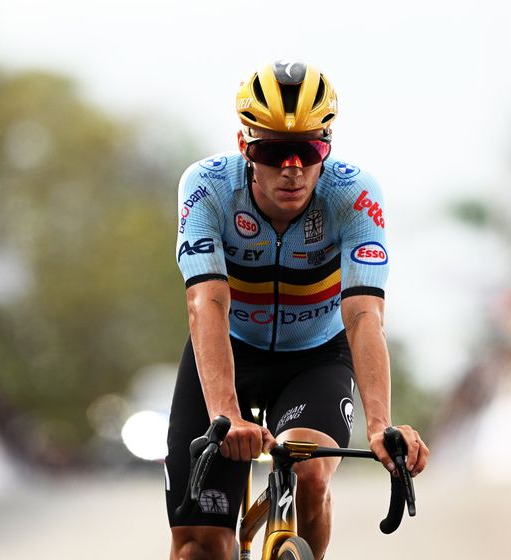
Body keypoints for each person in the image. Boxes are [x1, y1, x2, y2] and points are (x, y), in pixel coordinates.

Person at [167, 59, 429, 559]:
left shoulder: (353, 194)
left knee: (307, 470)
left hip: (315, 356)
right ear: (246, 146)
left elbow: (363, 315)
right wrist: (227, 413)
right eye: (274, 151)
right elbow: (207, 303)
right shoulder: (207, 188)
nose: (292, 169)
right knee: (200, 547)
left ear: (326, 147)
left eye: (308, 150)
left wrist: (380, 425)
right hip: (230, 353)